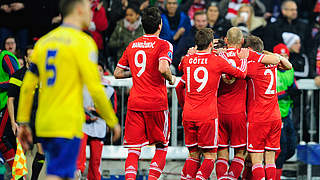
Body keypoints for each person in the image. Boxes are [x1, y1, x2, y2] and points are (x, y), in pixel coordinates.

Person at [17, 0, 121, 180]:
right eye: (89, 9)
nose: (91, 13)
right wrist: (112, 121)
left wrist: (24, 122)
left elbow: (27, 86)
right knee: (57, 175)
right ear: (79, 10)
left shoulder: (44, 42)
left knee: (61, 172)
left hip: (45, 122)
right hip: (67, 122)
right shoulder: (84, 42)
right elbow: (95, 89)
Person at [176, 27, 248, 180]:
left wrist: (183, 105)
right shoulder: (217, 61)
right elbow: (241, 73)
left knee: (193, 155)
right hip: (208, 115)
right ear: (210, 44)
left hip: (188, 113)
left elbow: (180, 72)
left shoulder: (187, 59)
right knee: (210, 156)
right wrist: (243, 58)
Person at [113, 6, 176, 180]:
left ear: (142, 25)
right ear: (160, 25)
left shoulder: (132, 45)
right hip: (156, 103)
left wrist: (133, 72)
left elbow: (117, 73)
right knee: (162, 146)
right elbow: (163, 68)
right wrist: (170, 78)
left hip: (135, 103)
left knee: (134, 150)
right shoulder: (164, 44)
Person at [215, 32, 283, 180]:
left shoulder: (219, 57)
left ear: (226, 40)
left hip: (222, 112)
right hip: (255, 115)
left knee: (222, 153)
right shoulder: (261, 63)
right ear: (242, 41)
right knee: (252, 156)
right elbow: (279, 61)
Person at [243, 34, 292, 180]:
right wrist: (272, 54)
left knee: (257, 160)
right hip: (275, 116)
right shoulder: (273, 63)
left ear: (250, 49)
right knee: (270, 159)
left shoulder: (251, 65)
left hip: (258, 117)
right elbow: (289, 66)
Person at [7, 45, 45, 180]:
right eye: (31, 56)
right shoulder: (18, 75)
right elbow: (10, 100)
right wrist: (12, 122)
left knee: (42, 152)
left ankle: (34, 178)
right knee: (21, 153)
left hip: (39, 120)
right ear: (26, 57)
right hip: (23, 120)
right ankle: (18, 178)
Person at [76, 64, 114, 180]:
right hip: (83, 124)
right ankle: (76, 175)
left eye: (100, 70)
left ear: (103, 72)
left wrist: (97, 112)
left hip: (99, 126)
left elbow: (112, 110)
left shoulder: (109, 90)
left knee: (95, 162)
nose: (97, 73)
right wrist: (86, 116)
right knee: (79, 162)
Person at [273, 43, 298, 180]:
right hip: (276, 116)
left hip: (287, 114)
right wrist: (286, 93)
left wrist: (294, 92)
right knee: (280, 150)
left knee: (292, 147)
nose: (284, 58)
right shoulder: (272, 71)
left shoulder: (290, 70)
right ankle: (275, 175)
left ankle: (274, 170)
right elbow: (270, 94)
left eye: (286, 56)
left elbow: (294, 87)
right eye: (281, 56)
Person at [0, 49, 20, 172]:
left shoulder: (5, 56)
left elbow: (16, 79)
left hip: (10, 104)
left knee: (2, 138)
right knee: (11, 142)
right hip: (3, 105)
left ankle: (18, 174)